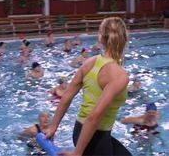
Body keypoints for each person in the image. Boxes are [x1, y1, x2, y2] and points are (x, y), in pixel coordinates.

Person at [45, 17, 132, 156]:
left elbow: (67, 96)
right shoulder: (120, 76)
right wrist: (78, 153)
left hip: (81, 132)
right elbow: (94, 116)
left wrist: (53, 127)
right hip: (93, 138)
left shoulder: (90, 63)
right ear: (125, 39)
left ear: (101, 38)